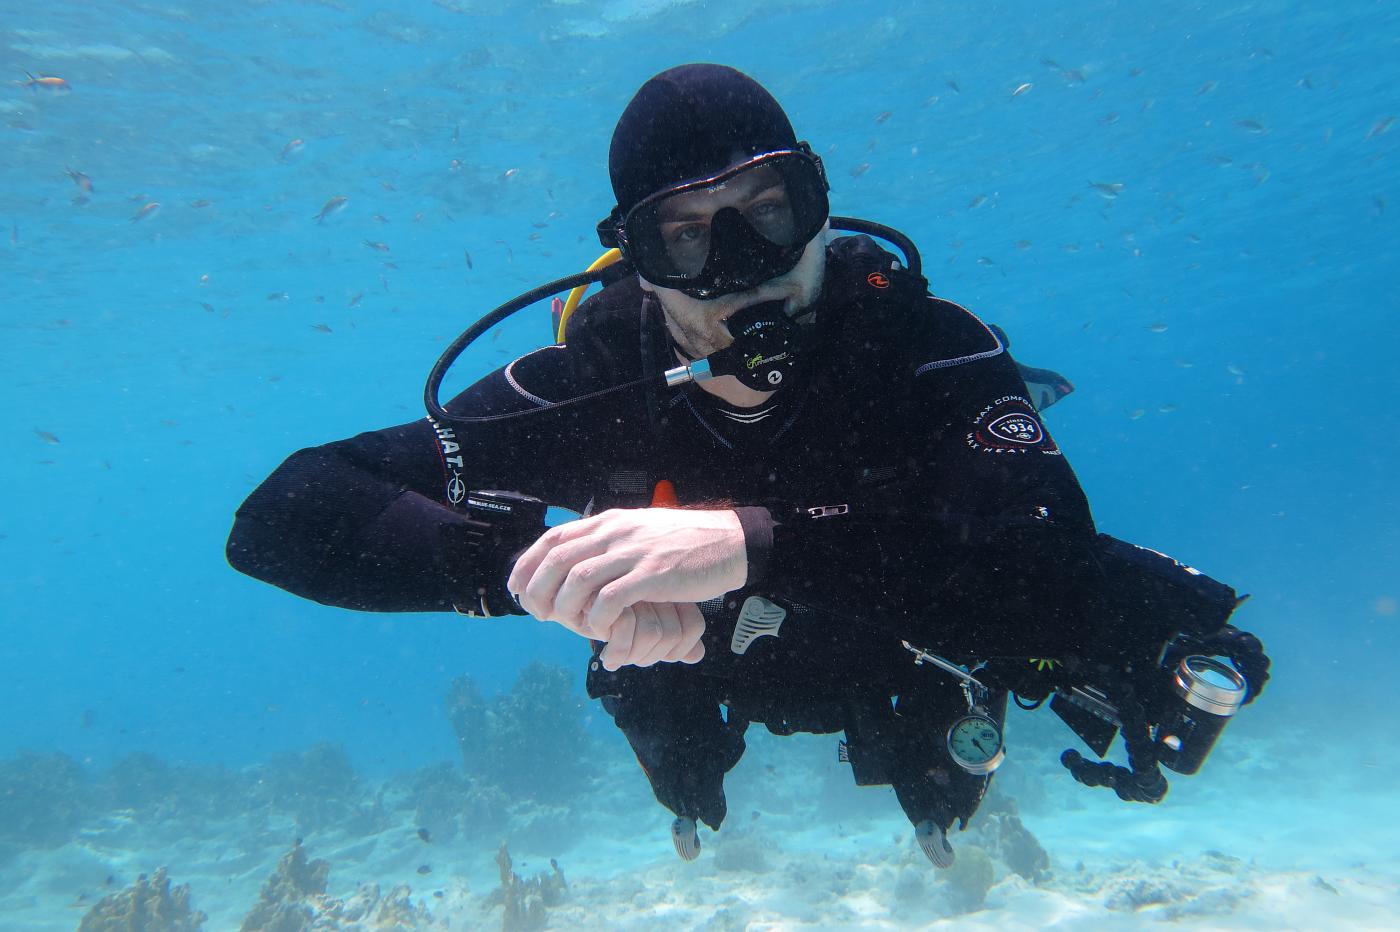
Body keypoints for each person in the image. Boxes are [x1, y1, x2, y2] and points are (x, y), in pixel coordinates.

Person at [227, 64, 1265, 868]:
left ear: (817, 207)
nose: (736, 271)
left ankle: (932, 818)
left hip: (901, 661)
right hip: (689, 667)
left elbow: (1052, 563)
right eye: (682, 237)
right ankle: (691, 793)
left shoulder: (925, 348)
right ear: (633, 259)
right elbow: (285, 511)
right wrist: (527, 576)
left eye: (768, 212)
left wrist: (745, 542)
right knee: (675, 756)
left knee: (940, 777)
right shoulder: (590, 382)